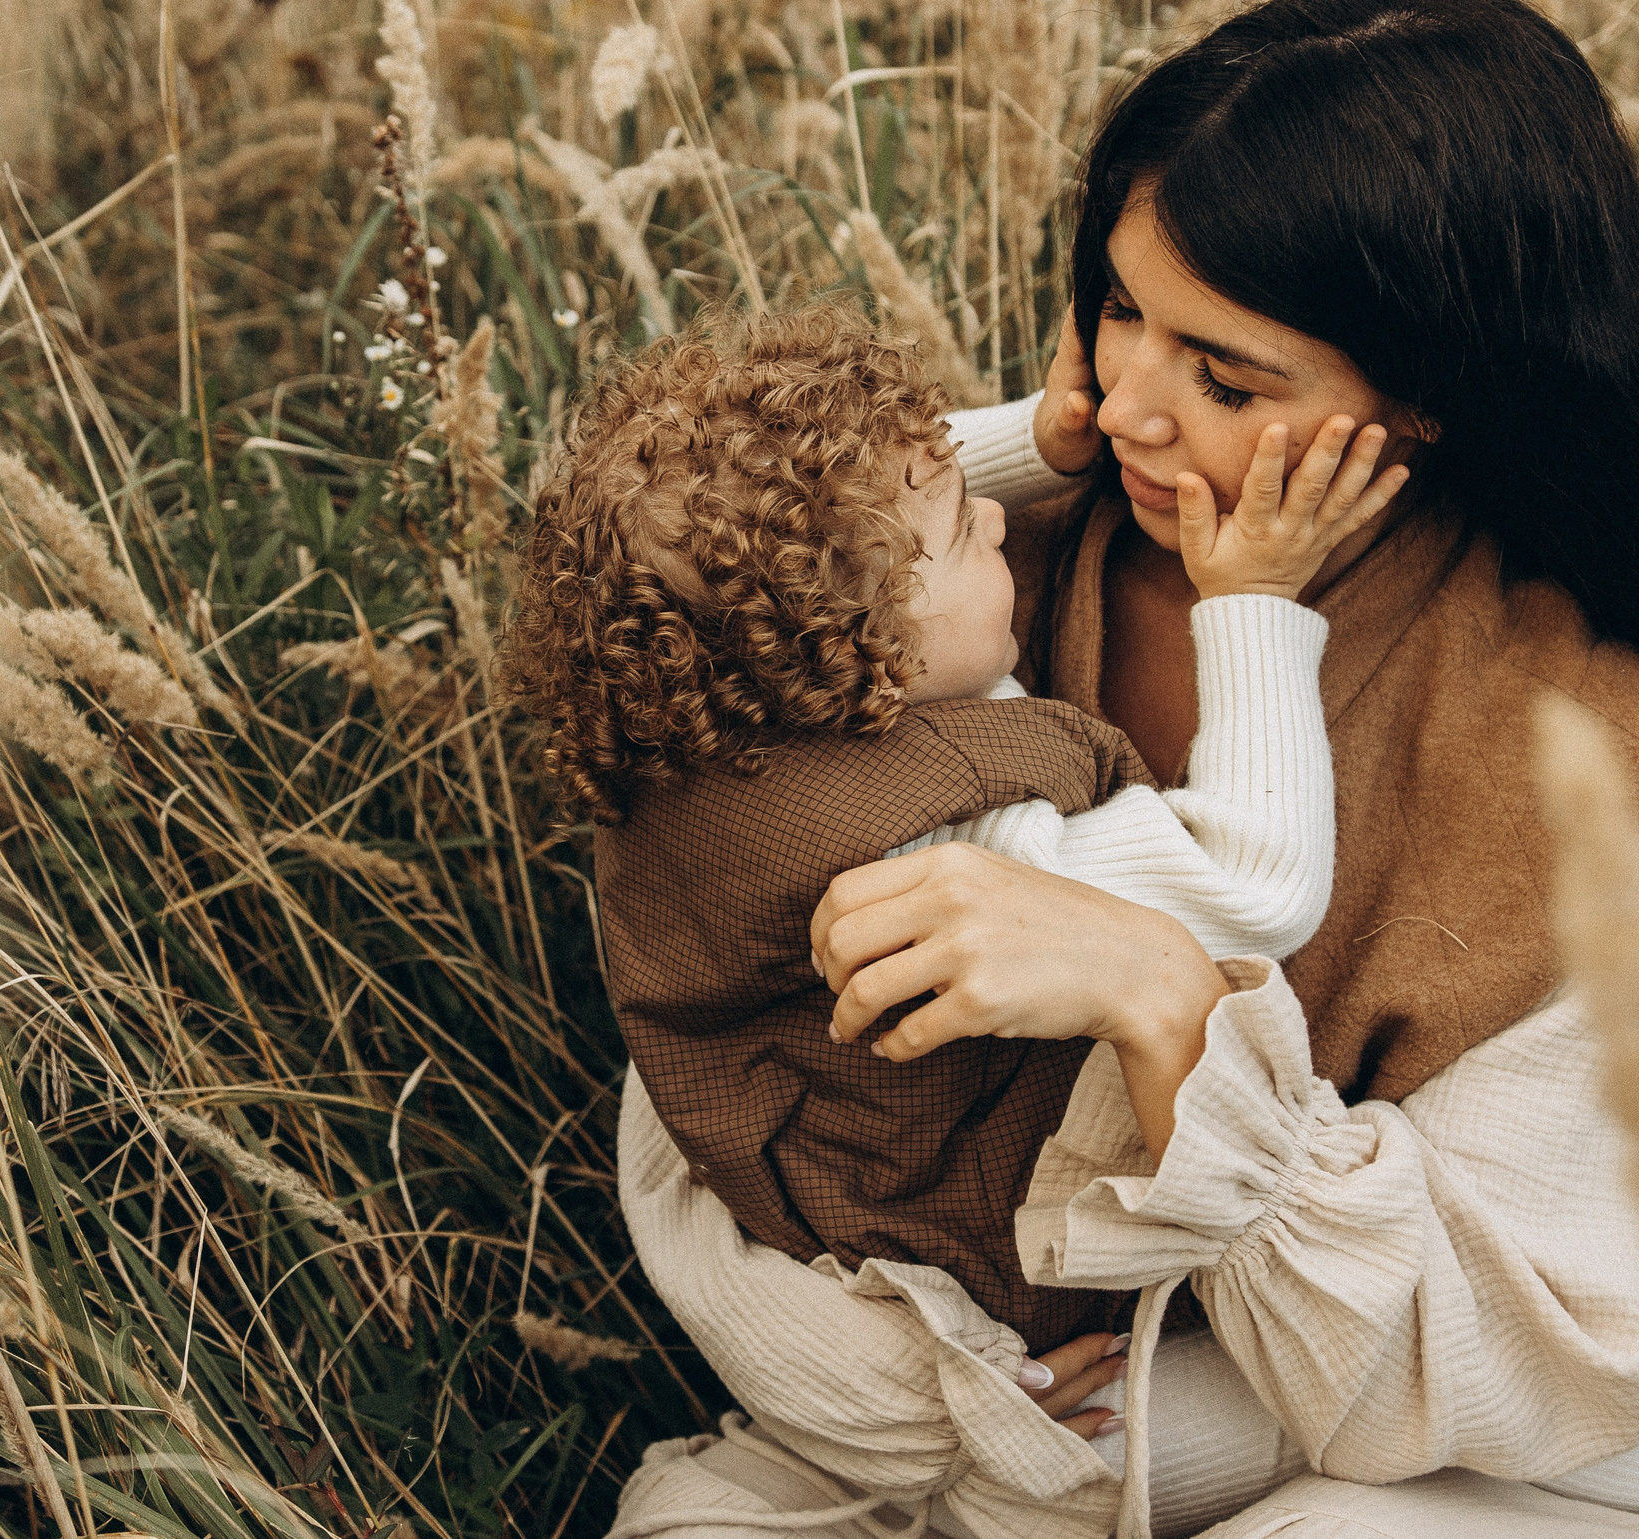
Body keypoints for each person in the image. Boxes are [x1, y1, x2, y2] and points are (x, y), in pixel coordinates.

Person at [606, 0, 1639, 1539]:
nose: (1123, 402)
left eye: (1223, 377)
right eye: (1121, 305)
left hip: (1422, 1437)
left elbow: (1538, 1358)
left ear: (1426, 411)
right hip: (990, 1379)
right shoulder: (962, 584)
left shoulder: (1591, 777)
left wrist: (1164, 1000)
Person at [504, 305, 1403, 1347]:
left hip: (802, 1171)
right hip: (982, 1255)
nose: (998, 519)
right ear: (848, 632)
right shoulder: (946, 834)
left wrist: (1038, 438)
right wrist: (1255, 599)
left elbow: (823, 513)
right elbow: (1253, 885)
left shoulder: (702, 704)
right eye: (962, 517)